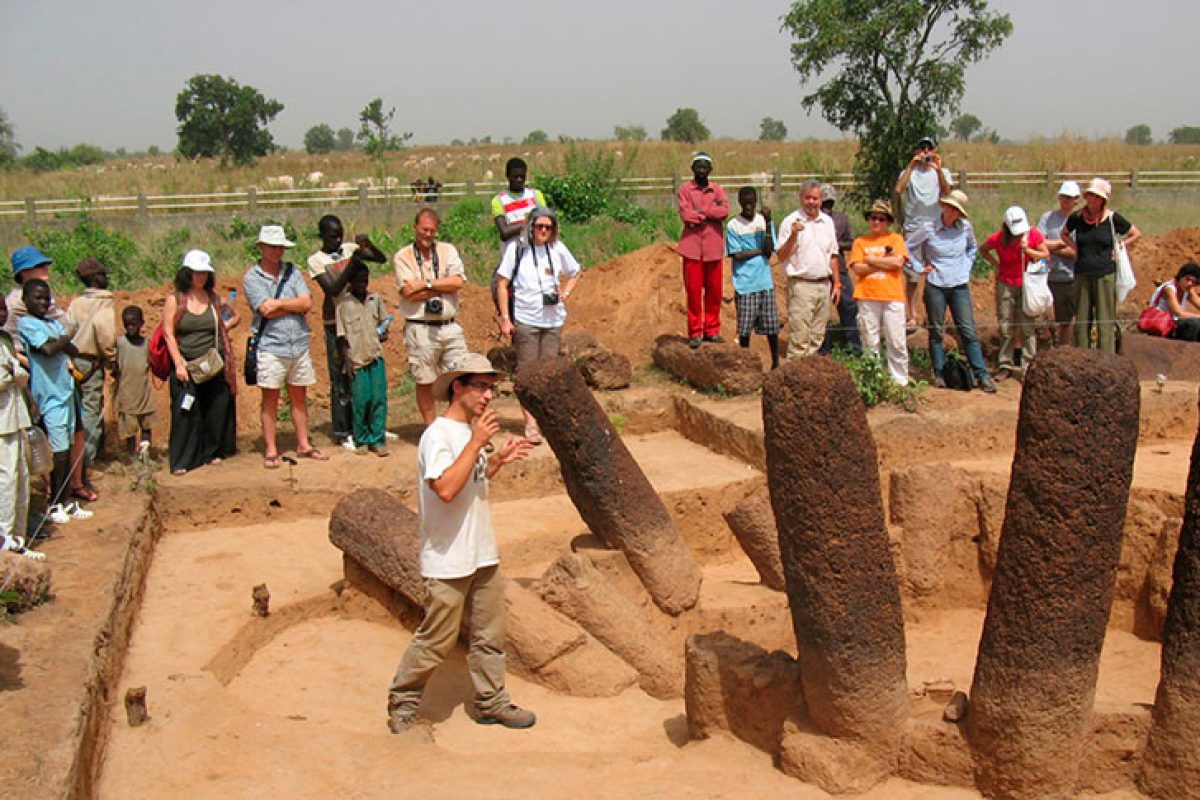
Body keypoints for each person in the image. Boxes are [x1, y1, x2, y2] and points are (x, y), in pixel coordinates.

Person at [386, 352, 535, 734]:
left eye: (492, 389)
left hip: (481, 554)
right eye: (481, 387)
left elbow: (472, 481)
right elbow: (446, 489)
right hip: (448, 558)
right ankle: (403, 702)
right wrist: (477, 445)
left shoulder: (470, 435)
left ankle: (492, 701)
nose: (488, 396)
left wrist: (496, 459)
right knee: (437, 638)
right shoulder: (437, 435)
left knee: (490, 637)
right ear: (458, 387)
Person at [495, 207, 581, 444]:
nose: (543, 231)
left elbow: (575, 271)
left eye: (548, 227)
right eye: (539, 226)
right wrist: (505, 318)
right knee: (527, 373)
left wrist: (565, 292)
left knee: (549, 373)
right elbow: (502, 283)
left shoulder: (557, 249)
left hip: (553, 320)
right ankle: (530, 423)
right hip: (526, 319)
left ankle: (548, 420)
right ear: (531, 226)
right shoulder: (518, 249)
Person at [243, 225, 326, 468]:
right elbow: (264, 308)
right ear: (261, 248)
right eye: (272, 247)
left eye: (280, 247)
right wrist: (293, 303)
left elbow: (307, 303)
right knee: (271, 398)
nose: (277, 251)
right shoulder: (252, 278)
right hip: (271, 345)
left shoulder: (293, 272)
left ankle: (303, 443)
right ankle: (271, 448)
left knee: (299, 395)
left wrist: (279, 304)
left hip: (298, 343)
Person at [306, 215, 386, 449]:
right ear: (322, 236)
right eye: (332, 236)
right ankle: (343, 430)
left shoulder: (349, 249)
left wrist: (368, 246)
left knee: (363, 372)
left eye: (340, 234)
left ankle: (367, 426)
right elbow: (332, 288)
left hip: (359, 318)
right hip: (335, 319)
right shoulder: (316, 260)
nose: (338, 240)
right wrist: (353, 263)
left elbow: (381, 259)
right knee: (341, 373)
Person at [909, 190, 997, 393]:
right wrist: (919, 267)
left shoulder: (965, 228)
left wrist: (965, 268)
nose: (950, 211)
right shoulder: (928, 228)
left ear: (959, 213)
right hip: (936, 284)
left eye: (955, 209)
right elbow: (908, 246)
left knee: (968, 330)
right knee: (936, 330)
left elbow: (972, 248)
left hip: (958, 285)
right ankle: (939, 373)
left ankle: (981, 374)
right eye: (949, 207)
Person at [163, 250, 237, 475]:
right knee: (186, 412)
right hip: (187, 364)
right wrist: (178, 363)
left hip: (212, 364)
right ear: (187, 274)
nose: (201, 277)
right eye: (196, 273)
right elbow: (168, 333)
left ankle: (211, 452)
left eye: (204, 273)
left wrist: (226, 328)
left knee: (215, 408)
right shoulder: (176, 300)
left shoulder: (213, 299)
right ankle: (183, 460)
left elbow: (234, 315)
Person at [393, 208, 469, 425]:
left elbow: (458, 282)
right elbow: (408, 293)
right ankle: (431, 428)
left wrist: (426, 285)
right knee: (424, 380)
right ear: (415, 228)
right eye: (424, 229)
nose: (428, 234)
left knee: (460, 376)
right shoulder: (403, 256)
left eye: (432, 231)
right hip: (421, 327)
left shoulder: (447, 250)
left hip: (449, 324)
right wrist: (444, 287)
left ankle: (461, 426)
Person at [17, 279, 83, 517]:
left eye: (46, 298)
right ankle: (54, 502)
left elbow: (72, 349)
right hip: (49, 396)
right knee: (58, 451)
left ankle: (64, 501)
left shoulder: (52, 324)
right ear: (25, 301)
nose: (43, 302)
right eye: (38, 298)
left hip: (65, 392)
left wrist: (65, 339)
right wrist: (68, 336)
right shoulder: (26, 324)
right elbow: (48, 349)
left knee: (66, 448)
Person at [1062, 178, 1142, 353]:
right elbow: (1064, 234)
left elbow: (1135, 233)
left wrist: (1120, 247)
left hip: (1105, 273)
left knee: (1105, 317)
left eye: (1096, 196)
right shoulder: (1077, 217)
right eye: (1090, 195)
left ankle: (1107, 356)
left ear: (1103, 199)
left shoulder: (1113, 218)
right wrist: (1075, 247)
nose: (1092, 199)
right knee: (1082, 317)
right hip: (1082, 272)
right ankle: (1082, 355)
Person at [980, 207, 1049, 379]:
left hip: (1027, 284)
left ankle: (1028, 365)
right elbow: (983, 249)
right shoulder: (998, 238)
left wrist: (1028, 251)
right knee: (1006, 325)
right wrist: (996, 265)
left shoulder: (1033, 235)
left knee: (1027, 326)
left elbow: (1045, 255)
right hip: (1006, 283)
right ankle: (1005, 363)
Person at [776, 180, 841, 360]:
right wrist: (794, 235)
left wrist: (837, 284)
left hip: (823, 285)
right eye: (808, 198)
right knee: (800, 337)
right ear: (801, 198)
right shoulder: (790, 222)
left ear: (821, 200)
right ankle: (794, 378)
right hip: (801, 286)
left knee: (817, 337)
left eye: (815, 198)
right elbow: (781, 256)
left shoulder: (827, 222)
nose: (811, 202)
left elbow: (833, 255)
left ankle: (809, 378)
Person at [895, 136, 954, 332]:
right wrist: (911, 166)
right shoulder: (909, 172)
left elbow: (947, 192)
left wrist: (938, 170)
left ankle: (935, 315)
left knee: (936, 272)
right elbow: (898, 189)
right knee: (912, 274)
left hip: (936, 227)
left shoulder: (941, 172)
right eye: (922, 148)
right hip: (913, 227)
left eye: (929, 148)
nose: (925, 152)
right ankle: (911, 314)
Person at [849, 200, 910, 385]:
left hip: (893, 296)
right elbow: (857, 269)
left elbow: (898, 263)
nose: (876, 221)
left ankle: (900, 382)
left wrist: (871, 260)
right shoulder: (860, 242)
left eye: (881, 219)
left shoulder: (896, 239)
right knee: (869, 341)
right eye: (873, 217)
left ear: (888, 221)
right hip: (867, 296)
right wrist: (884, 260)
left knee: (896, 341)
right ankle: (873, 381)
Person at [0, 295, 41, 559]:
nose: (2, 314)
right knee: (6, 479)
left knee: (22, 477)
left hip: (16, 416)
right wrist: (14, 373)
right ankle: (4, 537)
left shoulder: (4, 340)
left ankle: (17, 536)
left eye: (2, 309)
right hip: (2, 421)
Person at [65, 258, 117, 465]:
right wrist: (112, 357)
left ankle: (79, 454)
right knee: (91, 408)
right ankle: (87, 458)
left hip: (73, 360)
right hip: (92, 361)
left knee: (77, 407)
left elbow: (66, 330)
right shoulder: (105, 302)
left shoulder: (76, 303)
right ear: (97, 278)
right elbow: (104, 333)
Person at [336, 263, 390, 456]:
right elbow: (341, 336)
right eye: (358, 280)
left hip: (375, 357)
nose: (362, 284)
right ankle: (362, 439)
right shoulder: (344, 304)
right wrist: (346, 360)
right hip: (356, 360)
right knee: (361, 401)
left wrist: (384, 332)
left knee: (378, 399)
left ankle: (377, 439)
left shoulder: (375, 299)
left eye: (365, 280)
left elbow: (384, 323)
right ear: (350, 281)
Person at [676, 152, 730, 348]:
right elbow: (685, 215)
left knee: (714, 291)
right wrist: (709, 214)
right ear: (692, 169)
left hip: (714, 247)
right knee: (693, 292)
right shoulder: (684, 189)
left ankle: (712, 330)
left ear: (710, 169)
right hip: (692, 248)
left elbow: (724, 211)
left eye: (704, 166)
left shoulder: (717, 190)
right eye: (698, 166)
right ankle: (695, 332)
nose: (701, 170)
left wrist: (701, 212)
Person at [725, 186, 780, 368]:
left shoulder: (763, 222)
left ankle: (776, 362)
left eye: (751, 202)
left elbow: (770, 248)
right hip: (745, 283)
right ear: (739, 202)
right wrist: (759, 251)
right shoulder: (733, 225)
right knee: (745, 329)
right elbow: (737, 255)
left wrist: (769, 222)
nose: (748, 206)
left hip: (765, 282)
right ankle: (746, 364)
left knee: (772, 327)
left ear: (756, 201)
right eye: (745, 202)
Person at [1037, 182, 1082, 346]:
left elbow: (1079, 253)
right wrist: (1063, 244)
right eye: (1063, 197)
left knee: (1068, 319)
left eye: (1069, 198)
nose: (1065, 201)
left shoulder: (1081, 220)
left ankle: (1067, 349)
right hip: (1048, 275)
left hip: (1072, 276)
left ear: (1077, 200)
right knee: (1049, 317)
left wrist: (1053, 247)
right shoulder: (1047, 218)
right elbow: (1039, 242)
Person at [818, 183, 860, 354]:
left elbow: (851, 242)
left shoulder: (841, 218)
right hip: (819, 270)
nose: (827, 207)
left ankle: (854, 348)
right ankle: (823, 349)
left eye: (829, 203)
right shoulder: (814, 220)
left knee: (849, 308)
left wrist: (833, 244)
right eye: (825, 203)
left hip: (839, 269)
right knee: (821, 312)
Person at [113, 305, 157, 460]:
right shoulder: (120, 344)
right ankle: (132, 457)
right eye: (127, 324)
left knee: (146, 425)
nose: (130, 327)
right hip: (127, 394)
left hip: (144, 392)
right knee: (129, 429)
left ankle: (145, 455)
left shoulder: (147, 344)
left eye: (134, 323)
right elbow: (114, 366)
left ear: (141, 323)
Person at [492, 158, 547, 256]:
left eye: (522, 176)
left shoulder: (536, 195)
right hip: (512, 257)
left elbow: (545, 224)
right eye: (515, 177)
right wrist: (530, 222)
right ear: (507, 176)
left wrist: (521, 226)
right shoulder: (499, 200)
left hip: (537, 253)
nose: (519, 180)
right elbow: (504, 233)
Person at [1149, 262, 1200, 342]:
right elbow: (1179, 313)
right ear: (1180, 277)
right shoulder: (1169, 289)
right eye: (1187, 279)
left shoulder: (1188, 290)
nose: (1190, 283)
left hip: (1174, 325)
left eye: (1193, 282)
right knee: (1194, 324)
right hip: (1162, 324)